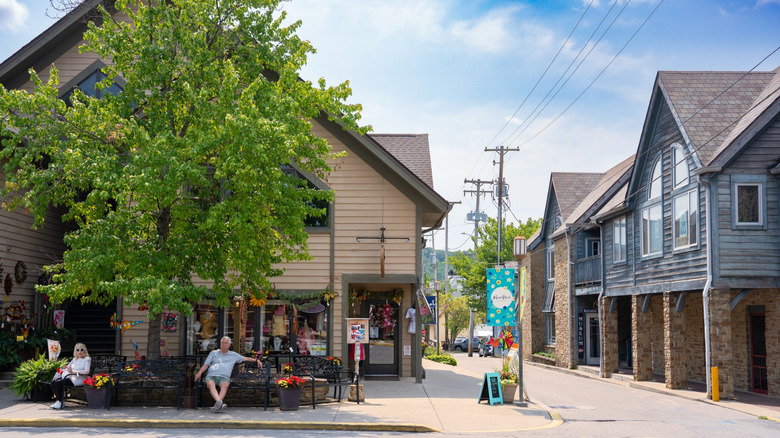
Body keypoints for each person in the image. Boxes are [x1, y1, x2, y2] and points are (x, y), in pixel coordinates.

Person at [194, 336, 262, 413]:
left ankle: (218, 404)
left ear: (229, 345)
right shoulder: (213, 353)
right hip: (212, 376)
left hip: (224, 377)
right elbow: (206, 364)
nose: (223, 345)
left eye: (225, 343)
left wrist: (256, 360)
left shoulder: (233, 355)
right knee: (210, 384)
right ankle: (220, 403)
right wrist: (199, 373)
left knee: (225, 385)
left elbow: (245, 358)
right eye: (222, 343)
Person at [50, 343, 91, 409]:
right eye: (77, 350)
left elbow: (87, 371)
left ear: (84, 350)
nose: (79, 352)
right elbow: (68, 366)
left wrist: (73, 372)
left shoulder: (87, 359)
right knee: (54, 382)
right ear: (75, 351)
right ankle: (59, 401)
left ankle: (60, 402)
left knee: (58, 383)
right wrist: (65, 368)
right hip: (71, 377)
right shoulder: (75, 359)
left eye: (81, 350)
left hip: (79, 379)